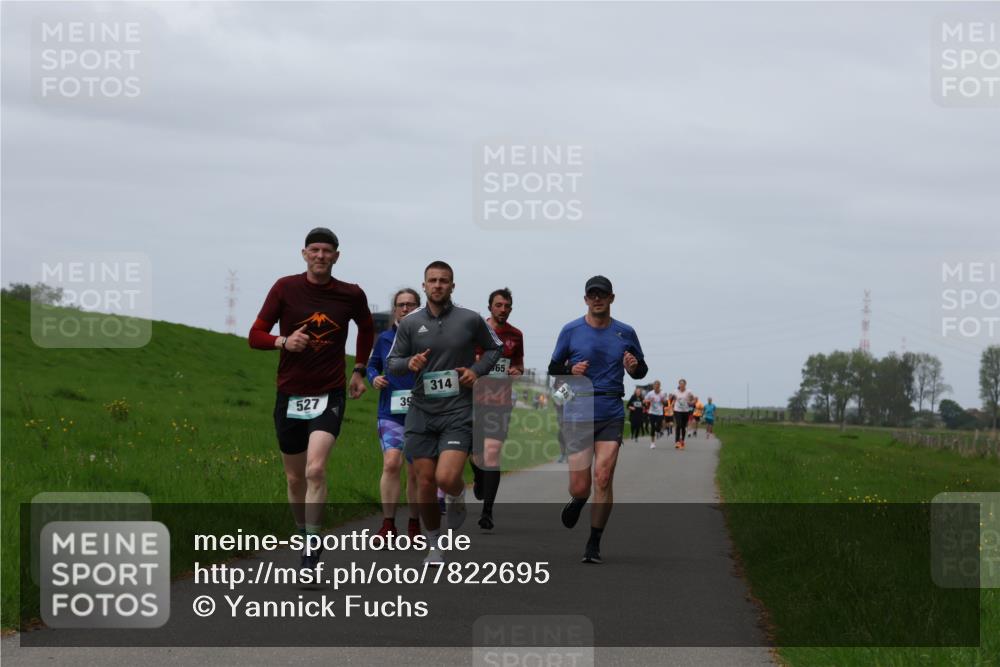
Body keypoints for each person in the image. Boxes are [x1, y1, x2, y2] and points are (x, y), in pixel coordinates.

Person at [249, 227, 374, 569]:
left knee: (315, 469)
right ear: (304, 254)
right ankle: (303, 531)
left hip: (329, 391)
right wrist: (283, 341)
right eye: (314, 250)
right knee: (294, 478)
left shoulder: (350, 294)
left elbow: (366, 328)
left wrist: (359, 369)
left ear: (336, 256)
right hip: (290, 392)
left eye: (327, 251)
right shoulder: (285, 288)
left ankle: (311, 549)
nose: (320, 256)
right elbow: (254, 335)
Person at [386, 261, 502, 565]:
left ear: (453, 285)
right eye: (432, 281)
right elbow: (392, 362)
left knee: (446, 476)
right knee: (425, 481)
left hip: (458, 410)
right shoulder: (410, 323)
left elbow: (494, 349)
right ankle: (435, 545)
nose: (438, 285)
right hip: (422, 411)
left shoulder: (470, 319)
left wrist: (476, 371)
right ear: (424, 286)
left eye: (444, 281)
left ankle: (456, 493)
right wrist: (409, 363)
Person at [549, 275, 648, 564]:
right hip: (578, 409)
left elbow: (640, 369)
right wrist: (570, 368)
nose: (597, 299)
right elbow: (554, 368)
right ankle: (579, 500)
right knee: (580, 486)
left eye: (602, 294)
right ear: (585, 299)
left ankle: (594, 542)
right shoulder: (571, 330)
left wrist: (634, 367)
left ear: (611, 298)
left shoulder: (625, 332)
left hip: (610, 409)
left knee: (603, 477)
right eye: (592, 294)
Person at [367, 288, 422, 543]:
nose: (405, 308)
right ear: (395, 309)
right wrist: (373, 378)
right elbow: (372, 365)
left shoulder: (428, 338)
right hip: (391, 411)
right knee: (391, 463)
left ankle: (414, 525)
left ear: (419, 308)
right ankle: (388, 525)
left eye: (411, 304)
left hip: (421, 413)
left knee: (414, 471)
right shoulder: (385, 339)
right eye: (401, 304)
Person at [472, 287, 525, 531]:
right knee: (474, 454)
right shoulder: (475, 329)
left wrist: (516, 372)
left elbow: (518, 366)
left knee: (492, 452)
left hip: (499, 401)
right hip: (471, 399)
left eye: (507, 306)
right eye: (498, 305)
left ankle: (487, 512)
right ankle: (479, 476)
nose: (503, 310)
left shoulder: (516, 335)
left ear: (511, 308)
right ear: (490, 307)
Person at [668, 379, 696, 450]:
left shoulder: (689, 392)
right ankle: (677, 441)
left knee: (683, 427)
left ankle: (682, 441)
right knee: (679, 425)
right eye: (680, 384)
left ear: (685, 385)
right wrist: (671, 402)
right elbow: (672, 399)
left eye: (683, 384)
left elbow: (694, 399)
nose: (681, 385)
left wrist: (691, 402)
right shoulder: (675, 391)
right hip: (677, 410)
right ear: (679, 384)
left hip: (686, 411)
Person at [644, 380, 667, 449]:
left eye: (658, 386)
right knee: (653, 427)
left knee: (658, 425)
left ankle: (658, 431)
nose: (656, 387)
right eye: (655, 386)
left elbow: (666, 403)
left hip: (660, 412)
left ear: (659, 386)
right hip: (652, 412)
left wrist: (662, 400)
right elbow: (644, 401)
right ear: (653, 386)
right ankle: (652, 443)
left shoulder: (662, 393)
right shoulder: (650, 393)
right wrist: (649, 401)